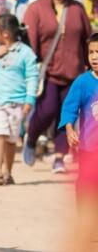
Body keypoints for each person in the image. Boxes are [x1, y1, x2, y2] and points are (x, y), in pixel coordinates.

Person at [23, 0, 91, 173]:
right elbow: (29, 42)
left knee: (68, 115)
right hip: (48, 73)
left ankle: (59, 157)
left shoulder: (77, 8)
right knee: (47, 110)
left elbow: (88, 39)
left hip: (74, 72)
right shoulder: (35, 8)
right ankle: (32, 137)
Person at [0, 14, 39, 185]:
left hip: (17, 104)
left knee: (11, 139)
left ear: (5, 33)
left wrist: (29, 100)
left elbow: (32, 77)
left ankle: (7, 172)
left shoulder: (25, 53)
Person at [59, 33, 98, 252]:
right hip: (88, 149)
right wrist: (69, 127)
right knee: (86, 187)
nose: (95, 57)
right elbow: (70, 107)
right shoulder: (83, 82)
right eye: (92, 52)